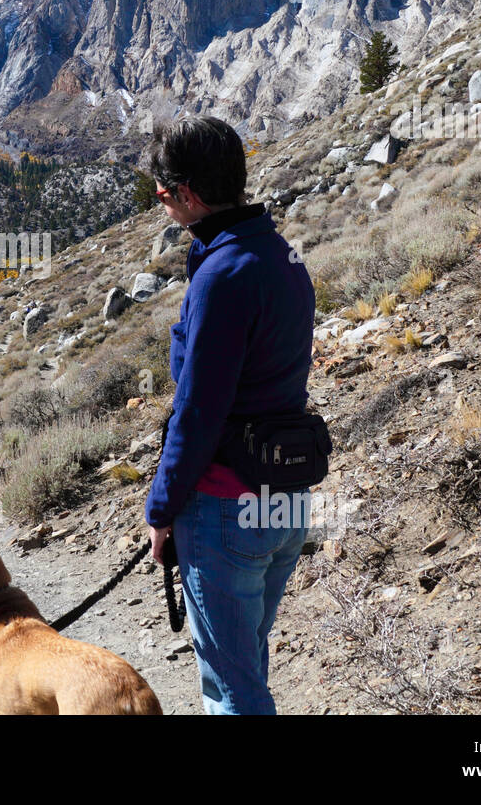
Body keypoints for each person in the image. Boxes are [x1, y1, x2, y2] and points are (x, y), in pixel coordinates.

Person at [142, 115, 316, 715]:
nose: (161, 203)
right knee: (247, 665)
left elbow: (197, 413)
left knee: (230, 689)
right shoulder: (280, 253)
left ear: (188, 194)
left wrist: (162, 511)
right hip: (286, 496)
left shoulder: (222, 275)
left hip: (226, 506)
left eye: (162, 193)